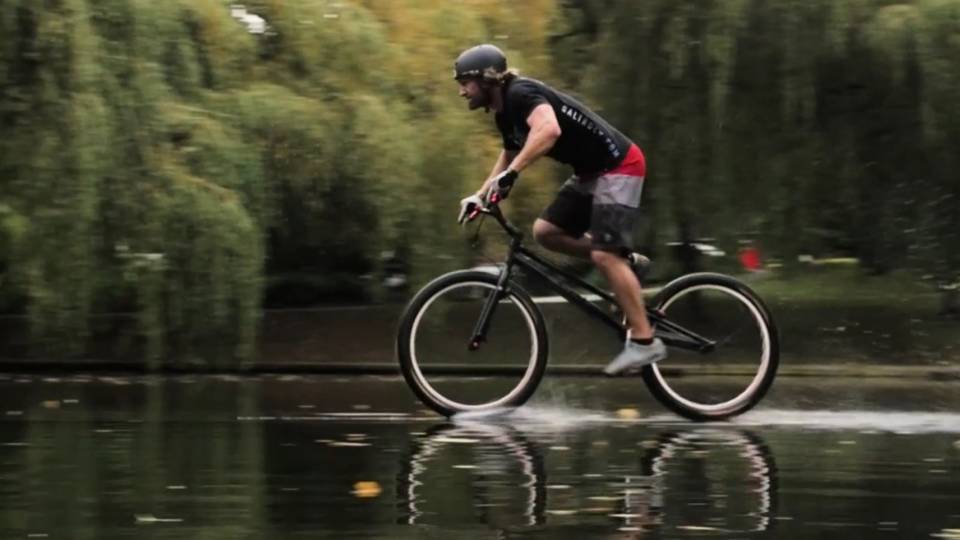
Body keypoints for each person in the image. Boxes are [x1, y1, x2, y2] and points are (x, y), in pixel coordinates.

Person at [453, 44, 666, 375]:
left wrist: (513, 175)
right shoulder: (503, 113)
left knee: (603, 255)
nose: (461, 90)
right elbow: (510, 153)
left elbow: (548, 130)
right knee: (546, 233)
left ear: (487, 78)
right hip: (590, 173)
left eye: (465, 81)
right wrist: (480, 195)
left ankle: (644, 341)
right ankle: (628, 264)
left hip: (619, 165)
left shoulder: (521, 93)